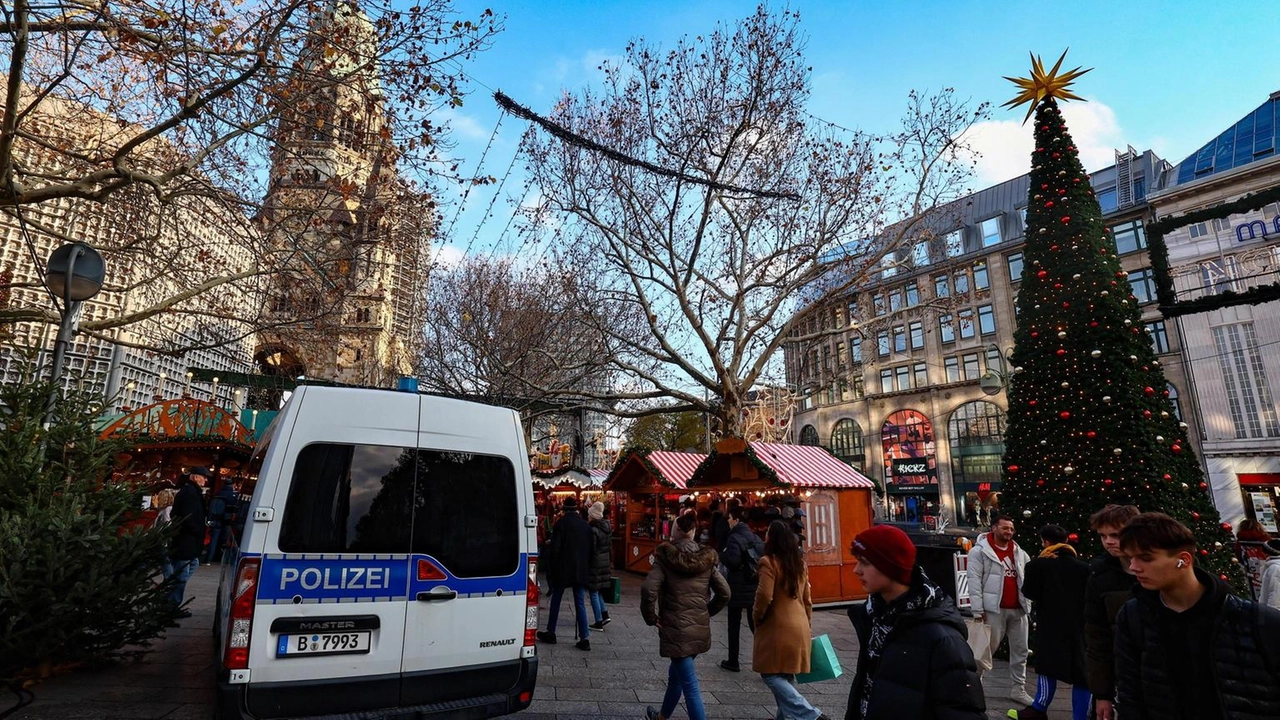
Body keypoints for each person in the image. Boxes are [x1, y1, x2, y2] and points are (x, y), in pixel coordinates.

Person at [1114, 512, 1280, 719]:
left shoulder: (1256, 620)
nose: (1134, 567)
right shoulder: (1133, 616)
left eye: (1146, 558)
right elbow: (1130, 692)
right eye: (1130, 558)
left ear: (1183, 560)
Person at [846, 524, 985, 720]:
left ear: (890, 566)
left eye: (865, 562)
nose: (856, 570)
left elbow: (963, 711)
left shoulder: (942, 638)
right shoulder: (876, 618)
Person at [641, 512, 730, 720]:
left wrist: (651, 618)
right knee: (677, 676)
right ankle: (662, 717)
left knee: (689, 684)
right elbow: (725, 592)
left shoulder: (665, 557)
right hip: (697, 627)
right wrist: (707, 611)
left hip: (675, 628)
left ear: (676, 531)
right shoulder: (706, 559)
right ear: (693, 532)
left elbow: (648, 590)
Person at [753, 520, 830, 720]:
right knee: (785, 674)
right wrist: (808, 624)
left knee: (769, 674)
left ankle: (811, 714)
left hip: (778, 627)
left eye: (767, 533)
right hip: (800, 624)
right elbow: (808, 600)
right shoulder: (800, 564)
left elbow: (764, 596)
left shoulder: (768, 562)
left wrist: (757, 616)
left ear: (771, 538)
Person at [1013, 525, 1091, 720]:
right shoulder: (1084, 568)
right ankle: (1080, 716)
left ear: (1045, 542)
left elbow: (1029, 592)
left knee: (1047, 666)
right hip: (1079, 625)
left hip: (1050, 623)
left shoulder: (1037, 565)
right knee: (1081, 671)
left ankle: (1039, 708)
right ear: (1066, 542)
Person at [967, 514, 1032, 706]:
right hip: (993, 609)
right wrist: (978, 610)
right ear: (994, 528)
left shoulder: (1020, 552)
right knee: (985, 650)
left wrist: (1028, 603)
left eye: (1011, 529)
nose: (1009, 532)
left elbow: (1026, 578)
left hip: (1018, 608)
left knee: (1021, 650)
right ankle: (974, 685)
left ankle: (1018, 688)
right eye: (1005, 528)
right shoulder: (980, 552)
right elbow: (974, 581)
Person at [1081, 504, 1140, 720]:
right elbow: (1097, 639)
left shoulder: (1159, 568)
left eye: (1115, 534)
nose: (1109, 541)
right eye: (1103, 536)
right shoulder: (1099, 576)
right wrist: (1102, 694)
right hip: (1119, 676)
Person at [536, 496, 594, 650]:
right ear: (576, 509)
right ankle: (585, 637)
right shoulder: (585, 526)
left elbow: (555, 549)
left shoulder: (560, 524)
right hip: (580, 569)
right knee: (580, 602)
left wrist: (552, 568)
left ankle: (551, 631)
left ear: (564, 510)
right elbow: (591, 550)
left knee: (556, 599)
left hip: (563, 568)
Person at [719, 504, 764, 672]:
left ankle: (733, 660)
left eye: (729, 519)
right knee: (755, 626)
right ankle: (766, 659)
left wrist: (722, 555)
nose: (728, 522)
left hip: (737, 586)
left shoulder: (733, 538)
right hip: (753, 584)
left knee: (733, 625)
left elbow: (733, 560)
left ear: (736, 520)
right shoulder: (755, 537)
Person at [167, 466, 209, 615]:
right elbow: (185, 516)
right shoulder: (190, 493)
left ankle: (171, 598)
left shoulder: (191, 492)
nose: (206, 480)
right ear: (196, 477)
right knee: (182, 574)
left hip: (188, 541)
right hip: (185, 540)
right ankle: (171, 605)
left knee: (191, 565)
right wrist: (196, 530)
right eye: (204, 477)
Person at [586, 501, 613, 631]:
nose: (588, 517)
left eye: (589, 515)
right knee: (598, 589)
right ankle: (604, 614)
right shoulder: (606, 528)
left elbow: (591, 548)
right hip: (604, 561)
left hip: (595, 563)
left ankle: (598, 621)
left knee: (593, 591)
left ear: (593, 516)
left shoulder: (593, 530)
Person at [204, 479, 239, 564]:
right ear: (232, 485)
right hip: (227, 521)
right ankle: (224, 559)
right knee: (227, 540)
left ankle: (209, 558)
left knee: (214, 539)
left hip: (215, 519)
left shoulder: (217, 494)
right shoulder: (233, 496)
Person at [1258, 538, 1280, 610]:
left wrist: (1271, 613)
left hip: (1273, 613)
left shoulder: (1275, 568)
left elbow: (1275, 592)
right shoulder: (1272, 566)